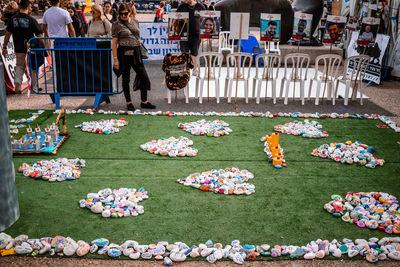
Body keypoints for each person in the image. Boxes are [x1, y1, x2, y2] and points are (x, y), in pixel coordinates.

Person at [112, 3, 156, 111]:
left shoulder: (135, 21)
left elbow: (137, 34)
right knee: (125, 79)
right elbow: (114, 43)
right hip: (123, 53)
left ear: (130, 13)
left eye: (126, 13)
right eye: (121, 14)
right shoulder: (116, 24)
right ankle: (129, 102)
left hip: (136, 53)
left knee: (144, 77)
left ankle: (144, 101)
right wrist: (115, 59)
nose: (123, 16)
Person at [2, 0, 46, 93]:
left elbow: (7, 34)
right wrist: (44, 46)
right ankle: (34, 87)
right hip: (31, 47)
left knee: (19, 66)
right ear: (27, 7)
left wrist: (5, 47)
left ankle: (17, 84)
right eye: (30, 7)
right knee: (33, 67)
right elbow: (39, 35)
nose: (31, 8)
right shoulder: (31, 20)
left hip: (18, 48)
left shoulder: (13, 19)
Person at [177, 0, 205, 72]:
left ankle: (195, 69)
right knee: (184, 52)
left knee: (194, 52)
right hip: (183, 34)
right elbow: (176, 19)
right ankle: (186, 69)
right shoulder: (181, 7)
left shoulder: (200, 6)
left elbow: (205, 19)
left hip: (196, 34)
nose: (184, 0)